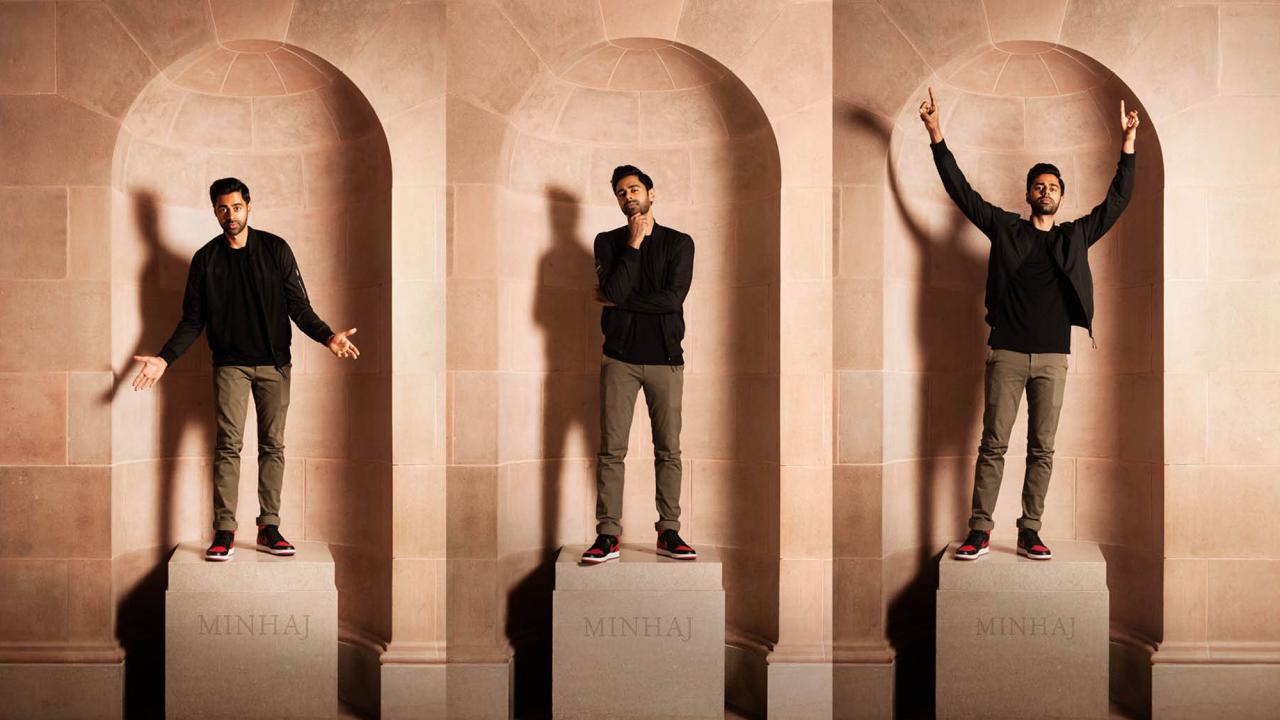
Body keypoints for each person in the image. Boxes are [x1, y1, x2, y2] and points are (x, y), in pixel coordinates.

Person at [919, 88, 1140, 561]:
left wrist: (1127, 144)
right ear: (1028, 194)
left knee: (1043, 449)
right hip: (1007, 353)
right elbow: (962, 193)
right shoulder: (1006, 229)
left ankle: (1029, 530)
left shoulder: (1075, 236)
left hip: (1054, 358)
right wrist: (936, 133)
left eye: (1053, 187)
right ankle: (979, 530)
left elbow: (1117, 201)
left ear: (1061, 196)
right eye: (1039, 186)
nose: (1046, 192)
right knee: (993, 445)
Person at [130, 178, 360, 561]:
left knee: (273, 446)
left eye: (236, 207)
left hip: (275, 365)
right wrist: (164, 358)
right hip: (230, 366)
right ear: (215, 211)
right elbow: (193, 320)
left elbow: (299, 306)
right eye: (223, 208)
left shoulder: (275, 249)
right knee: (228, 446)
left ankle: (269, 527)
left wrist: (327, 336)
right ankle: (224, 530)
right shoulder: (206, 260)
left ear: (248, 207)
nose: (230, 215)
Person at [581, 165, 697, 564]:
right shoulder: (608, 242)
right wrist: (634, 242)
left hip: (666, 360)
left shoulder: (679, 243)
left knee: (668, 450)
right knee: (611, 451)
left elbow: (672, 300)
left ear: (651, 193)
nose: (628, 196)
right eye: (620, 192)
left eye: (634, 189)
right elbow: (615, 287)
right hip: (619, 360)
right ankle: (608, 535)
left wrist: (616, 299)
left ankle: (669, 531)